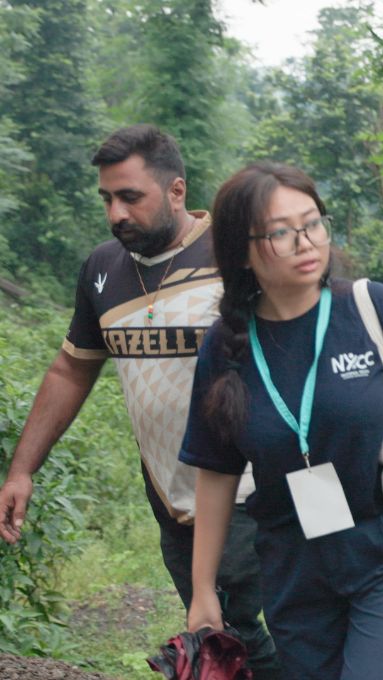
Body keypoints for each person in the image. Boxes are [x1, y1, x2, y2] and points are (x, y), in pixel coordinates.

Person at [0, 125, 278, 677]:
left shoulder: (236, 254)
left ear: (176, 191)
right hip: (171, 497)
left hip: (256, 487)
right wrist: (22, 470)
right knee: (226, 641)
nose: (116, 214)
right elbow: (71, 369)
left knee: (245, 629)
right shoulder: (104, 269)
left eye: (131, 197)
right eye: (107, 198)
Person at [181, 162, 383, 679]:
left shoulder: (370, 308)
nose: (304, 241)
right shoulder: (224, 349)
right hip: (295, 566)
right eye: (280, 232)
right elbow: (216, 473)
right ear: (241, 250)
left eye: (312, 223)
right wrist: (203, 590)